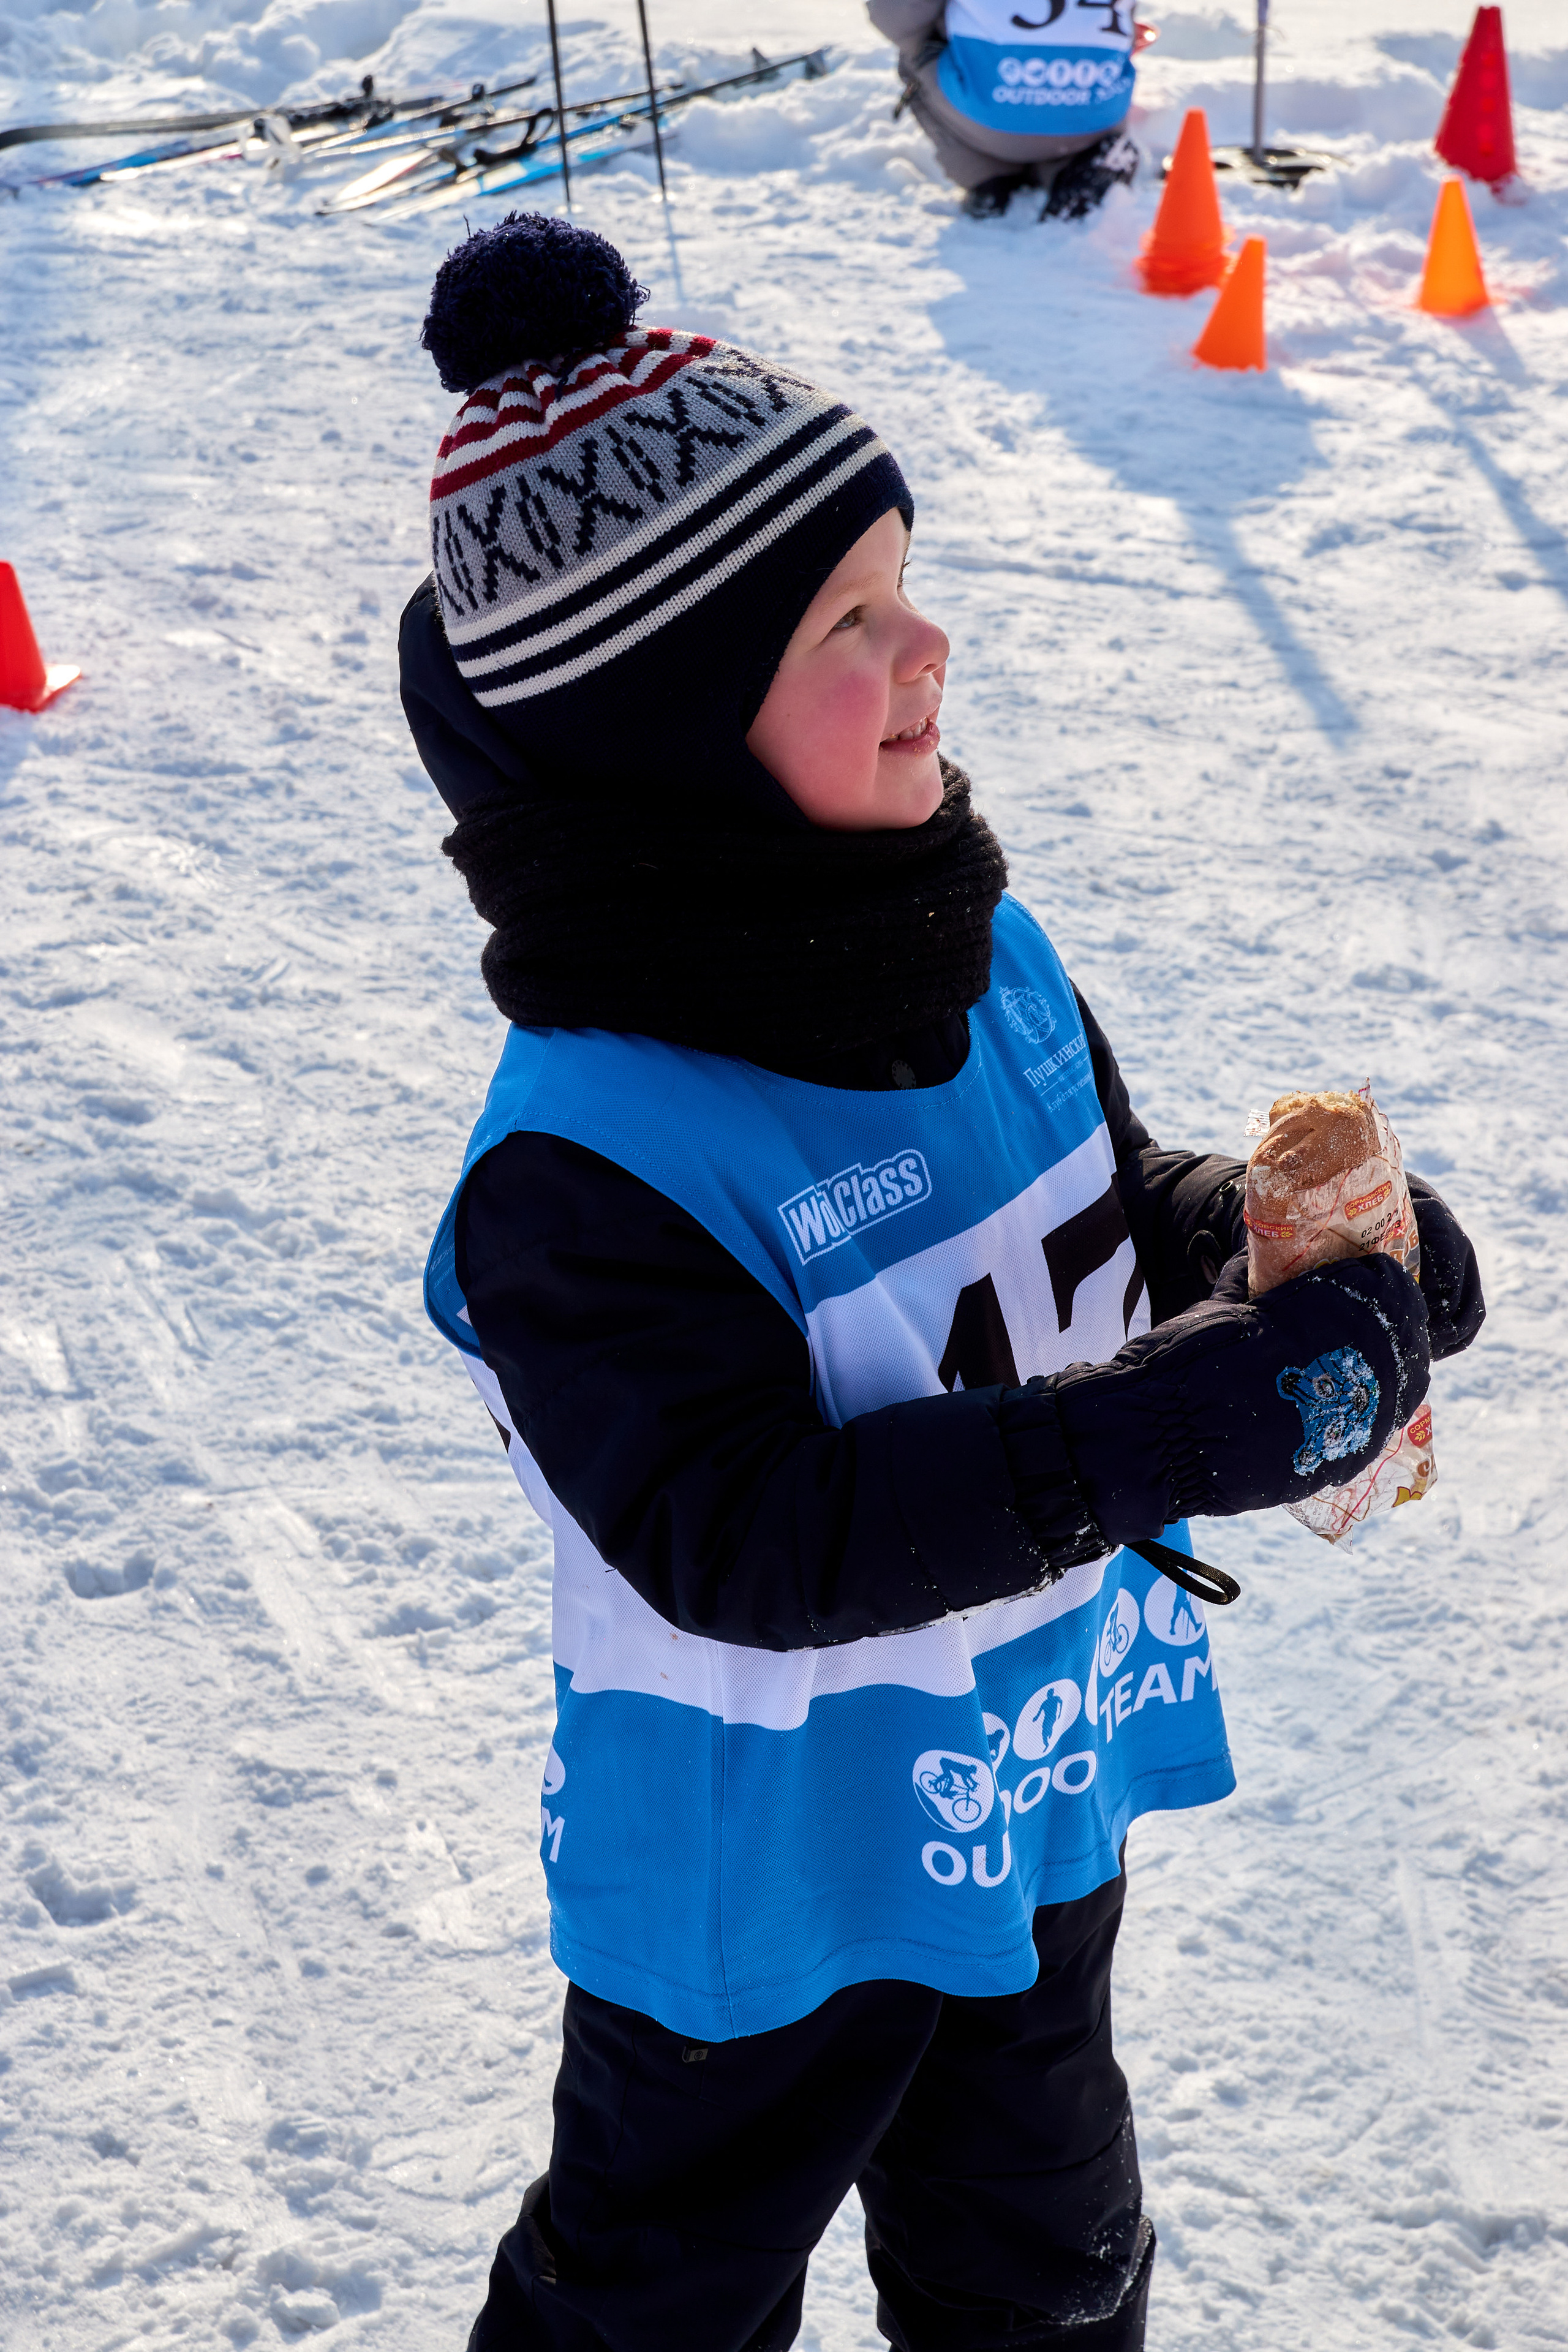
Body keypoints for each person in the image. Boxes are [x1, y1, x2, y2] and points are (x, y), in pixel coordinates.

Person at [398, 214, 1485, 2352]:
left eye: (904, 586)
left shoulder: (976, 945)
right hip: (768, 1875)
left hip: (1022, 1766)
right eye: (849, 622)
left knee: (1044, 2260)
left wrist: (1266, 1249)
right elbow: (742, 1531)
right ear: (671, 732)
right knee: (658, 2296)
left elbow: (1094, 1199)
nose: (930, 648)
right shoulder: (586, 1161)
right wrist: (1176, 1423)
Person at [869, 1, 1149, 217]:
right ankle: (1069, 167)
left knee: (915, 55)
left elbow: (897, 18)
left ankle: (987, 176)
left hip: (993, 116)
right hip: (1096, 114)